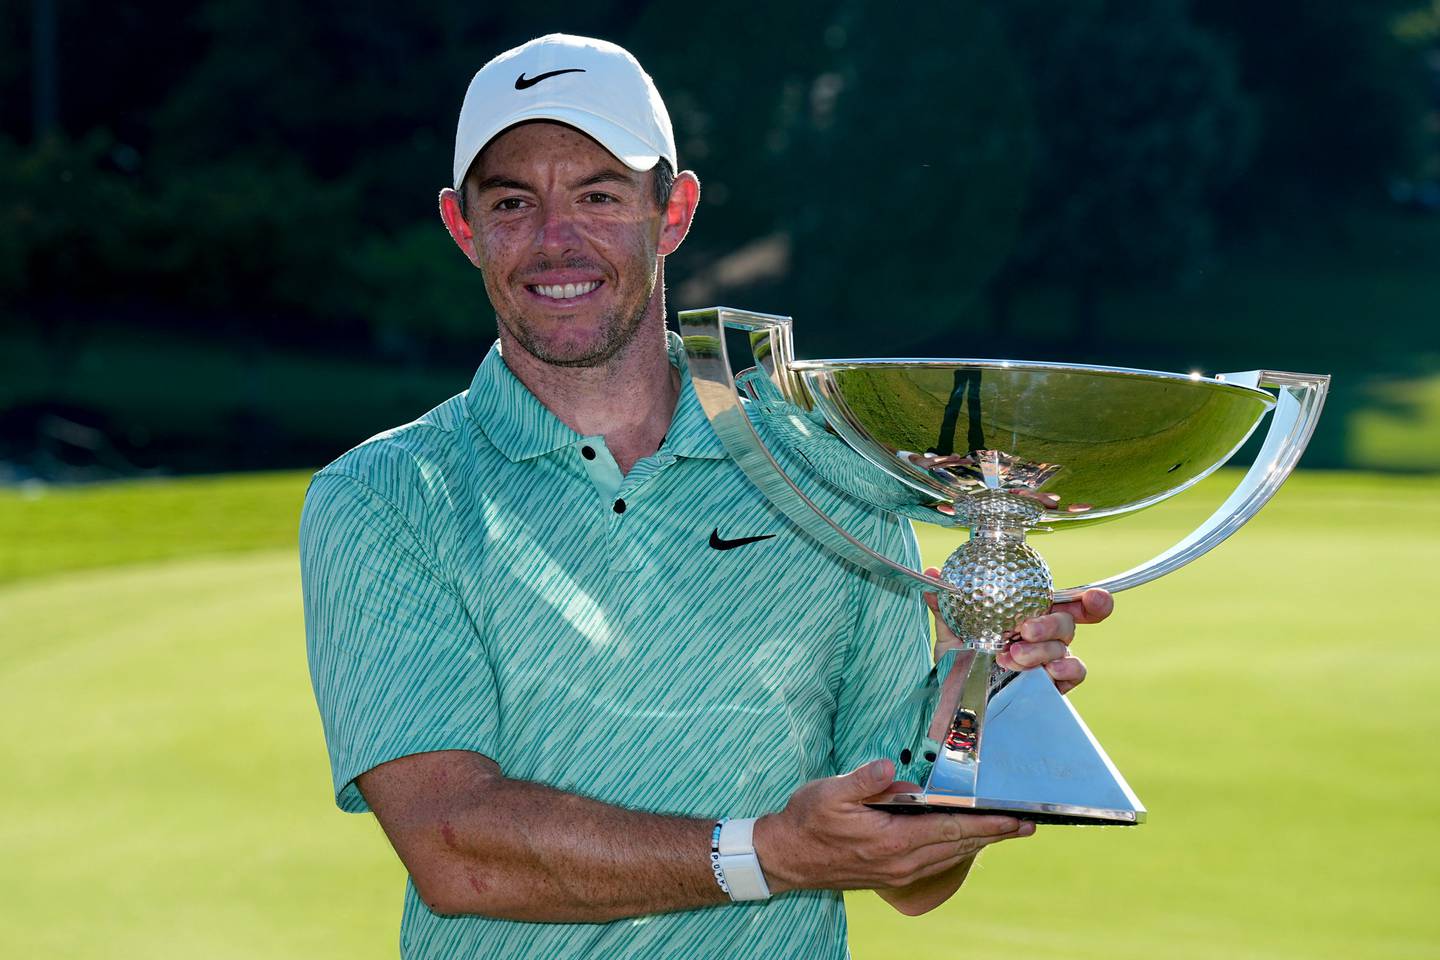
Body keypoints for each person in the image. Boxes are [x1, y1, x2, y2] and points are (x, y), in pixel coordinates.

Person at [300, 33, 1113, 959]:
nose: (555, 240)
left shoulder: (826, 470)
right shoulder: (384, 496)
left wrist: (975, 696)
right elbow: (458, 852)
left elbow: (915, 874)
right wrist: (770, 854)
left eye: (600, 196)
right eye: (514, 202)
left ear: (673, 210)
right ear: (463, 226)